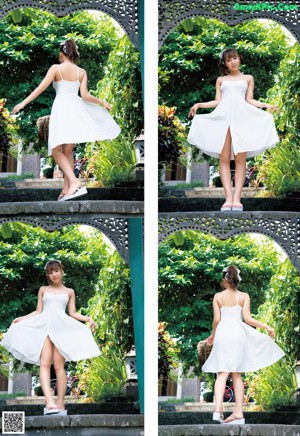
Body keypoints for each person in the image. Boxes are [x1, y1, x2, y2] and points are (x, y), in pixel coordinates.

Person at [12, 40, 121, 201]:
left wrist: (22, 103)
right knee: (67, 151)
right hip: (75, 110)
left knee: (56, 151)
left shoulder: (56, 68)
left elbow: (40, 88)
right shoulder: (81, 72)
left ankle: (75, 182)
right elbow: (85, 95)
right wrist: (102, 102)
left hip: (62, 109)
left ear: (62, 53)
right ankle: (67, 190)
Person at [1, 259, 100, 415]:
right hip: (44, 328)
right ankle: (48, 400)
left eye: (56, 271)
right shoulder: (43, 289)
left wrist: (88, 319)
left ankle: (60, 402)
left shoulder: (69, 292)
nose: (54, 275)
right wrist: (22, 318)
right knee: (45, 363)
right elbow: (38, 311)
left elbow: (72, 313)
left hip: (61, 329)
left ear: (61, 271)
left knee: (59, 366)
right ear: (48, 275)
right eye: (50, 272)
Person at [188, 48, 279, 211]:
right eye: (229, 60)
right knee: (223, 158)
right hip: (223, 119)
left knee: (240, 158)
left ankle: (237, 198)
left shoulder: (248, 78)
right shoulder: (221, 80)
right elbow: (217, 101)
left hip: (241, 118)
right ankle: (228, 198)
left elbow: (250, 100)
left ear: (240, 58)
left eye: (235, 58)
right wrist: (199, 105)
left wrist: (267, 106)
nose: (233, 62)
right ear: (225, 63)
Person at [202, 265, 284, 425]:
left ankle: (218, 409)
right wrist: (266, 327)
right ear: (237, 280)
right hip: (238, 334)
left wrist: (213, 335)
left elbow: (217, 320)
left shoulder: (217, 297)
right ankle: (238, 413)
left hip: (223, 334)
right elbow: (247, 319)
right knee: (236, 374)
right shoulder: (244, 296)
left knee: (222, 373)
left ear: (224, 280)